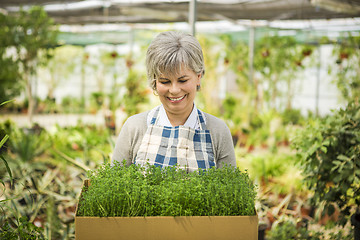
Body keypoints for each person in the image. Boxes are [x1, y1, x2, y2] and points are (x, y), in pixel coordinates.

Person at [112, 31, 236, 172]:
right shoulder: (134, 128)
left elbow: (229, 192)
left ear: (198, 76)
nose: (175, 90)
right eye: (165, 81)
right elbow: (115, 188)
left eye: (182, 80)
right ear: (154, 81)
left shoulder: (218, 131)